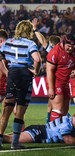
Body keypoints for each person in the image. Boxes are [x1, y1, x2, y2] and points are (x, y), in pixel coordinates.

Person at [0, 20, 41, 149]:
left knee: (7, 110)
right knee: (20, 111)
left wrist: (7, 71)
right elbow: (37, 59)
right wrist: (36, 70)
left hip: (12, 75)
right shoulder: (30, 43)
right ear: (29, 31)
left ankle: (0, 139)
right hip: (25, 75)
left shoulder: (8, 42)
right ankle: (15, 143)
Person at [32, 18, 61, 123]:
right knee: (53, 104)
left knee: (55, 105)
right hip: (61, 81)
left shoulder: (54, 51)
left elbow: (43, 41)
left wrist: (35, 29)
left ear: (52, 44)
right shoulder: (65, 52)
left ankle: (50, 123)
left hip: (56, 81)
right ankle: (50, 122)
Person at [3, 111, 75, 145]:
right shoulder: (66, 124)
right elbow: (68, 140)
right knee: (11, 139)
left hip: (40, 131)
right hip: (39, 133)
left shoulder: (69, 121)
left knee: (11, 137)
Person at [46, 33, 75, 121]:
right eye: (69, 46)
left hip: (66, 82)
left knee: (65, 111)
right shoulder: (55, 52)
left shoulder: (74, 51)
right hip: (56, 82)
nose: (70, 48)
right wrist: (51, 89)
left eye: (72, 46)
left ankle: (61, 131)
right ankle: (52, 132)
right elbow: (49, 70)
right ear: (64, 42)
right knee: (57, 109)